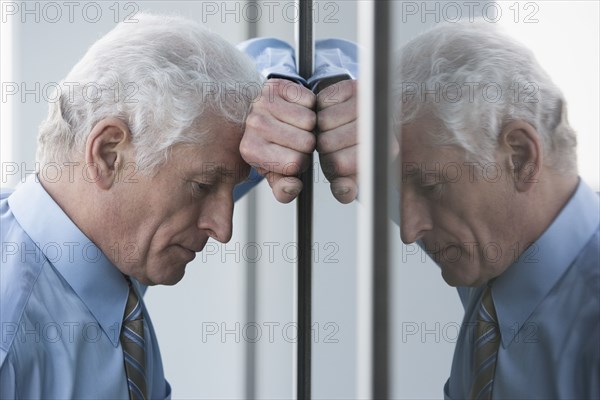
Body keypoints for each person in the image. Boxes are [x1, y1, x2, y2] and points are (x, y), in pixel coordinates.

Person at [244, 22, 599, 398]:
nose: (409, 230)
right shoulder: (499, 255)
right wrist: (306, 90)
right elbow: (333, 62)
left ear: (520, 157)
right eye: (398, 190)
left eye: (430, 187)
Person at [0, 13, 264, 398]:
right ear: (109, 154)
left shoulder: (104, 248)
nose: (223, 229)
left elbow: (281, 63)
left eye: (231, 187)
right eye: (204, 186)